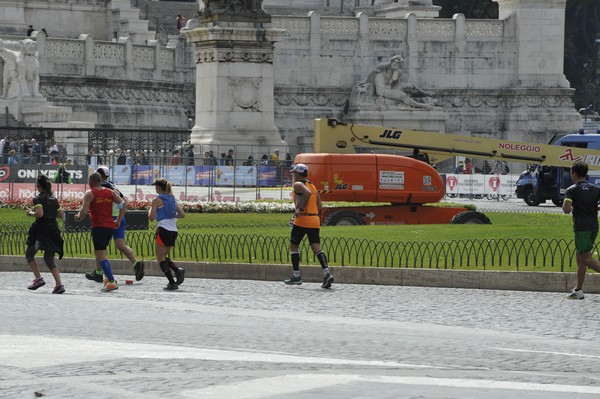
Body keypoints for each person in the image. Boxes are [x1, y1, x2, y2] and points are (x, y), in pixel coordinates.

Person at [84, 166, 145, 283]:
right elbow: (125, 201)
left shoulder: (102, 187)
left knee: (100, 249)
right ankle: (136, 263)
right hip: (120, 218)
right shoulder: (112, 185)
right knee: (120, 244)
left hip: (109, 218)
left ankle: (98, 273)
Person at [284, 163, 334, 289]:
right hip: (314, 220)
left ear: (299, 174)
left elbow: (305, 193)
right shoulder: (312, 185)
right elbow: (320, 206)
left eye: (294, 173)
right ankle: (326, 273)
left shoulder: (298, 185)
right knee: (316, 247)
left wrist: (300, 209)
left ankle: (296, 275)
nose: (293, 175)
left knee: (294, 246)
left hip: (302, 219)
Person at [74, 172, 125, 292]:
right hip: (110, 227)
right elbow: (123, 204)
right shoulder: (110, 192)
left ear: (91, 182)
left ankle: (111, 281)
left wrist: (77, 217)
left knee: (101, 255)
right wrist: (118, 220)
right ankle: (108, 278)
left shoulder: (90, 193)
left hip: (99, 227)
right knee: (101, 254)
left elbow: (84, 211)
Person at [563, 160, 600, 299]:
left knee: (586, 258)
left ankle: (578, 290)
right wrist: (593, 207)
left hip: (581, 228)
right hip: (593, 226)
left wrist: (570, 206)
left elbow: (566, 209)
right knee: (580, 257)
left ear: (574, 173)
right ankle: (578, 290)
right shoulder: (596, 189)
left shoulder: (571, 190)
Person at [25, 174, 65, 294]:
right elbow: (61, 215)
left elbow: (40, 213)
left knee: (29, 254)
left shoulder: (37, 198)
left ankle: (38, 278)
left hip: (41, 231)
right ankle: (59, 285)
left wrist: (30, 213)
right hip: (53, 230)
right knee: (49, 258)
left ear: (38, 186)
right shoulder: (53, 198)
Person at [148, 178, 185, 291]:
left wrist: (150, 210)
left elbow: (152, 218)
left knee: (160, 258)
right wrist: (172, 217)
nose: (155, 188)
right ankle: (177, 270)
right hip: (173, 230)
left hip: (163, 229)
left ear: (159, 188)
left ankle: (172, 282)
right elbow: (182, 214)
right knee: (163, 256)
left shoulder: (157, 200)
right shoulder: (172, 199)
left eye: (156, 186)